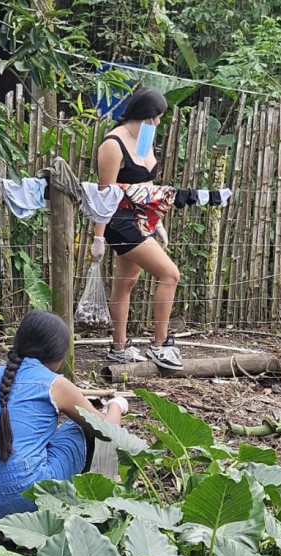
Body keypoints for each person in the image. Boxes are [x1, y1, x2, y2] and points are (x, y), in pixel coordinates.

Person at [0, 310, 128, 522]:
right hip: (27, 500)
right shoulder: (54, 384)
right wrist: (117, 404)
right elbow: (107, 430)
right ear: (59, 354)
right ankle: (78, 504)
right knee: (79, 428)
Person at [91, 86, 183, 370]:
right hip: (118, 222)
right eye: (154, 117)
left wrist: (158, 221)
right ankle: (160, 345)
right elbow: (103, 195)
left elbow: (146, 185)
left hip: (141, 219)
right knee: (170, 274)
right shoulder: (112, 145)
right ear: (142, 115)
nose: (157, 124)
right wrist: (98, 237)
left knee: (126, 282)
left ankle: (119, 347)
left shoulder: (144, 138)